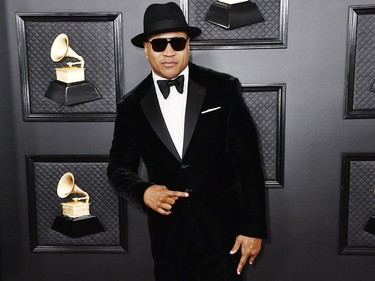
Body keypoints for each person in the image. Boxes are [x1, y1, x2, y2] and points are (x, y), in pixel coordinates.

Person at [107, 2, 267, 281]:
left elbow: (248, 162)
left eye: (177, 42)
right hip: (169, 239)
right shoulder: (131, 106)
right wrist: (143, 192)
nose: (169, 51)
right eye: (159, 44)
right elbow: (118, 169)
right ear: (146, 49)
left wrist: (253, 227)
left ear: (188, 45)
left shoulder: (223, 88)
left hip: (224, 234)